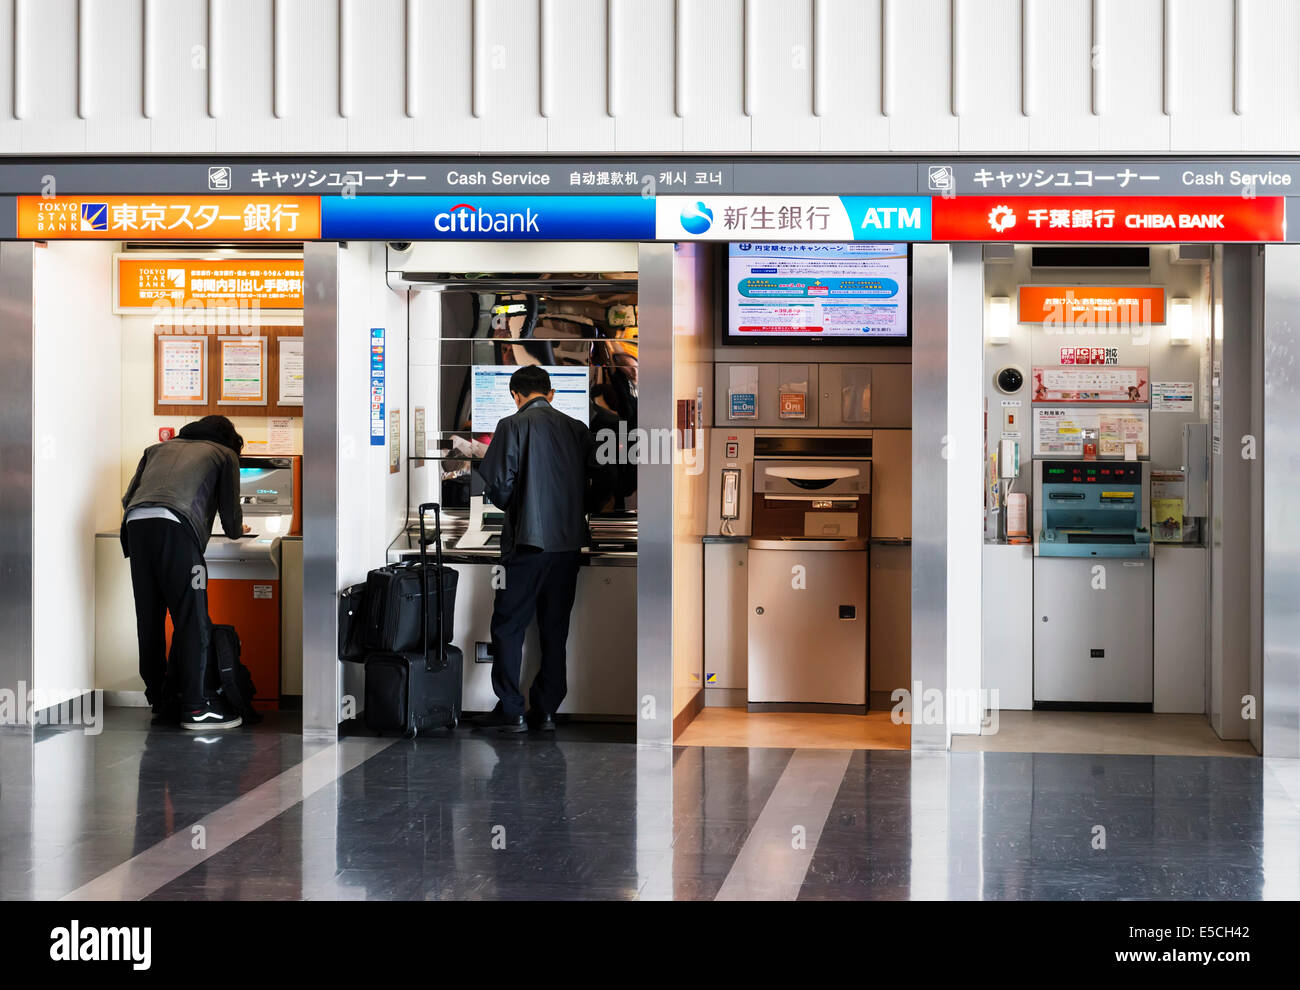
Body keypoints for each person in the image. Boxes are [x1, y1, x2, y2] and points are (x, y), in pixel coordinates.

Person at [478, 365, 602, 733]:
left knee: (508, 624)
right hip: (568, 546)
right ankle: (546, 709)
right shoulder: (576, 429)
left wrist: (518, 504)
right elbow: (598, 479)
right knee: (554, 627)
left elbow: (498, 486)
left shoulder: (511, 426)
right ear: (551, 394)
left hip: (526, 546)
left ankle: (512, 708)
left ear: (515, 395)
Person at [121, 415, 246, 730]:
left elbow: (128, 499)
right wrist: (237, 530)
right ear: (230, 440)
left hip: (136, 527)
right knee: (193, 619)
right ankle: (195, 708)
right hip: (175, 531)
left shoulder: (156, 449)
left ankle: (160, 700)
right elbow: (231, 521)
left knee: (148, 619)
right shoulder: (225, 454)